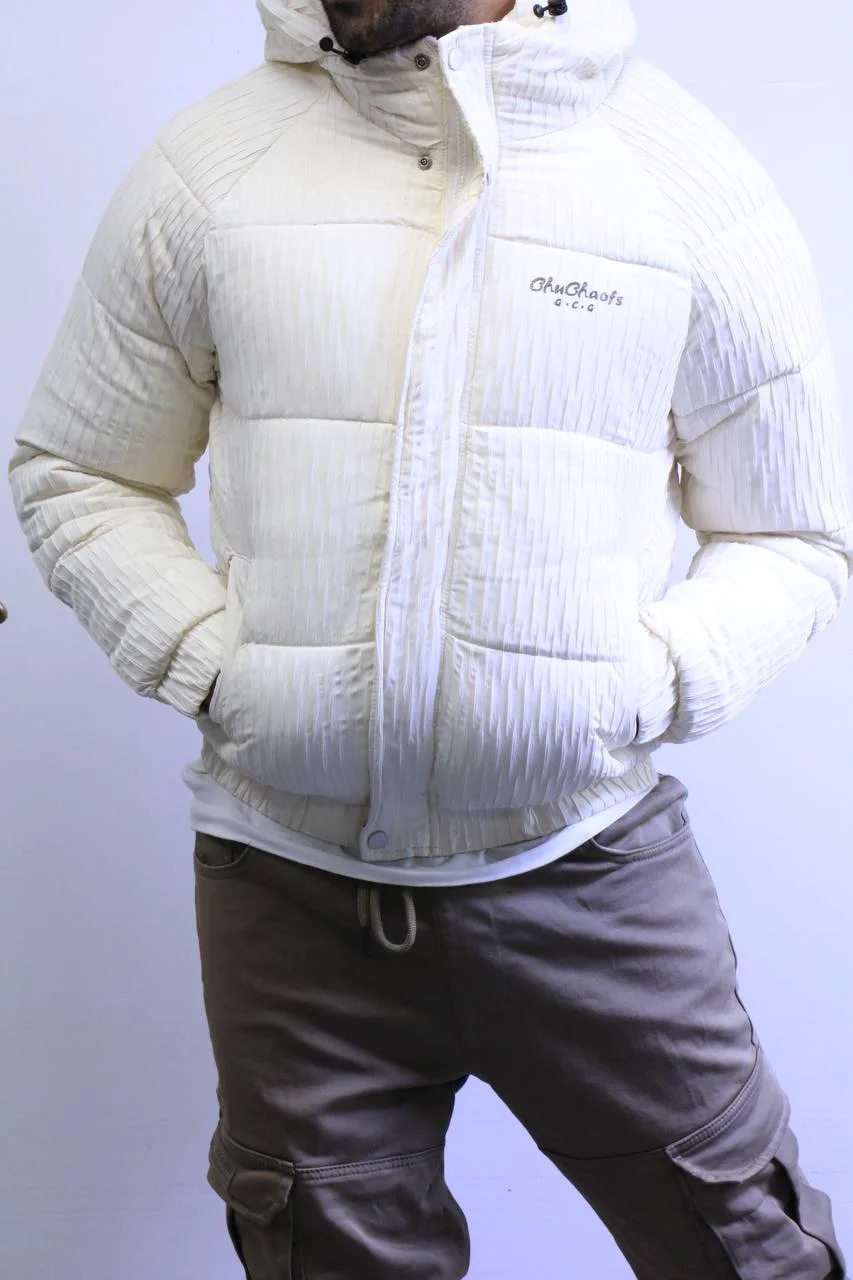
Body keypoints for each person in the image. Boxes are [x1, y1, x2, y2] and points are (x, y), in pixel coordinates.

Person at [8, 0, 852, 1275]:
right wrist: (213, 666)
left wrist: (644, 684)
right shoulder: (210, 166)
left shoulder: (681, 176)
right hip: (285, 888)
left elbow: (792, 528)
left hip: (586, 867)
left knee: (748, 1249)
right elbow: (81, 466)